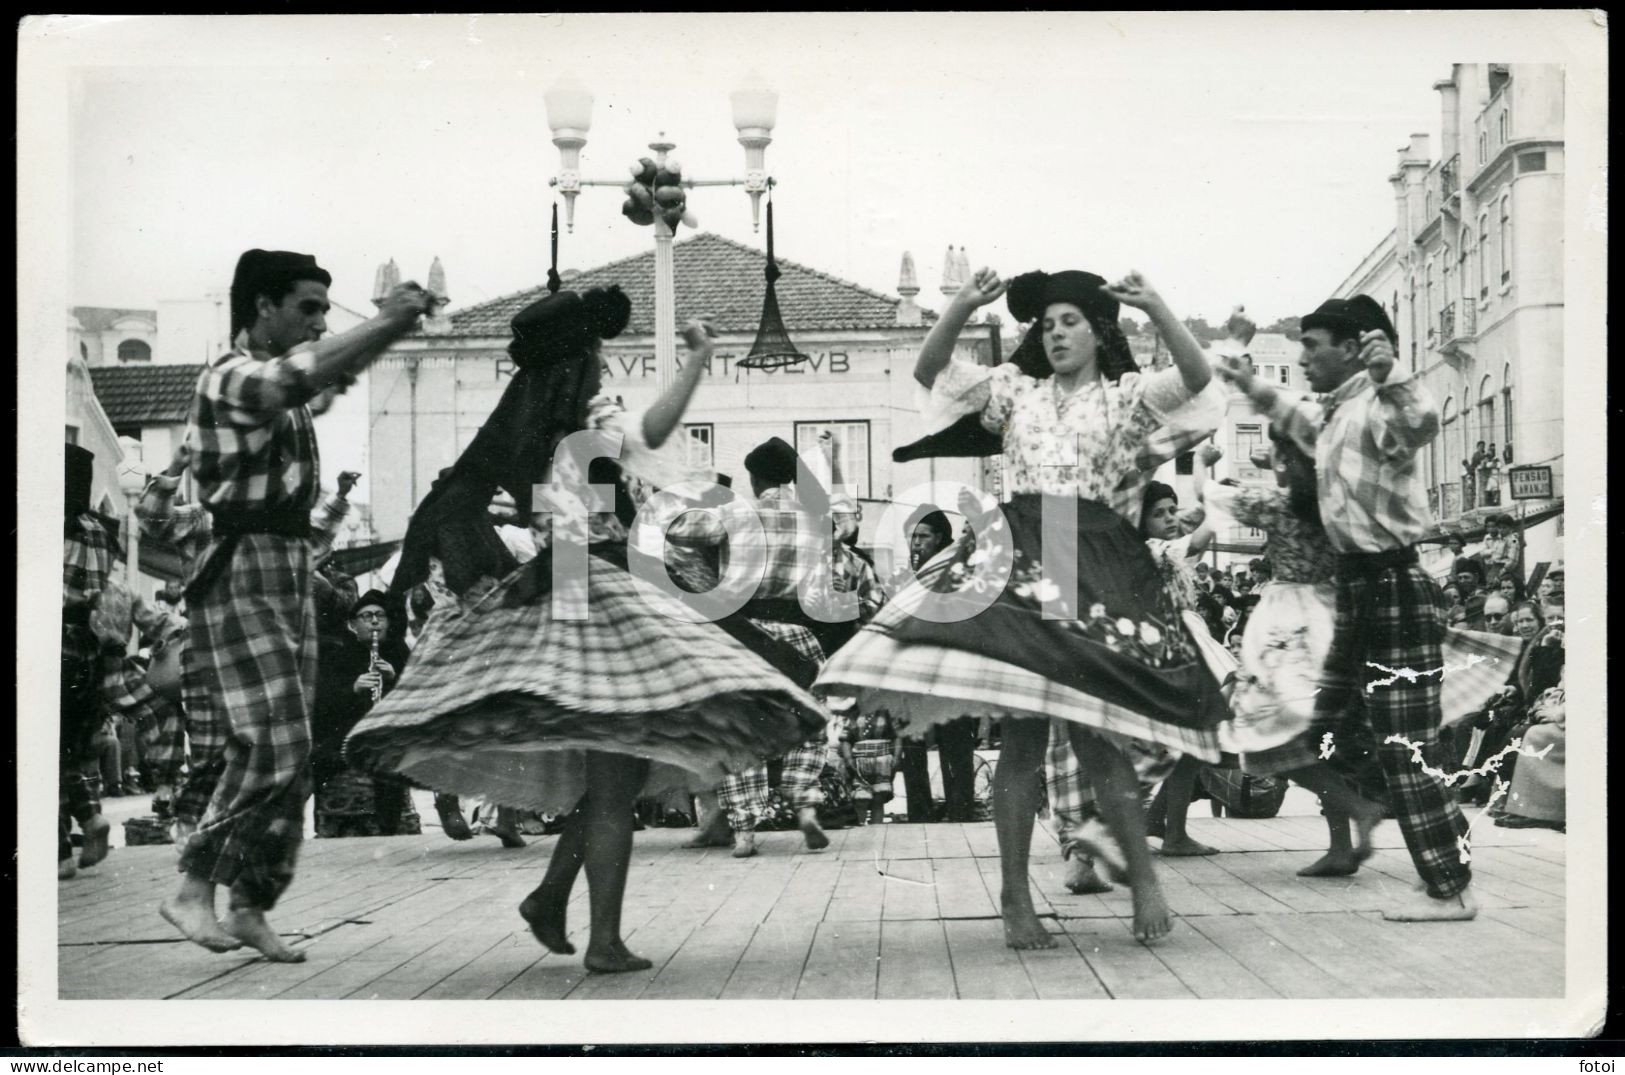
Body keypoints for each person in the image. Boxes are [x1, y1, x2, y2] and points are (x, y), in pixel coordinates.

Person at [347, 288, 825, 973]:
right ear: (579, 362)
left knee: (617, 778)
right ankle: (599, 937)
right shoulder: (590, 423)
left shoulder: (526, 435)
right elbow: (653, 435)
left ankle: (551, 897)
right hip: (601, 592)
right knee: (614, 777)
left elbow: (537, 512)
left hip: (570, 587)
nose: (604, 364)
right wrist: (697, 359)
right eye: (597, 353)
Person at [820, 266, 1229, 946]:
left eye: (1070, 321)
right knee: (1021, 735)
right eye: (1046, 324)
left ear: (1099, 332)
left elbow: (1193, 378)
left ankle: (1147, 881)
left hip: (1096, 557)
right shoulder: (1015, 391)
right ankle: (1014, 894)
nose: (1056, 332)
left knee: (1102, 733)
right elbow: (931, 371)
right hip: (1023, 554)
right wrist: (958, 307)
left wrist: (1155, 305)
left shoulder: (1127, 395)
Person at [160, 249, 434, 961]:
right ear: (262, 308)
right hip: (240, 566)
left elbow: (324, 376)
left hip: (285, 564)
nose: (317, 319)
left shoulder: (272, 389)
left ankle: (250, 900)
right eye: (306, 306)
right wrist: (388, 320)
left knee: (295, 749)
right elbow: (302, 375)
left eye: (322, 308)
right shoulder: (230, 376)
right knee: (272, 741)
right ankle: (194, 885)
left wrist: (387, 330)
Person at [1215, 293, 1487, 921]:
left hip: (1390, 584)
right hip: (1360, 588)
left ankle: (1450, 886)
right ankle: (1416, 839)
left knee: (1401, 743)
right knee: (1323, 726)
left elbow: (1420, 422)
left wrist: (1392, 374)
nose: (1304, 356)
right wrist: (1244, 375)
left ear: (1349, 347)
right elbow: (1286, 412)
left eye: (1312, 346)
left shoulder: (1375, 408)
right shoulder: (1335, 417)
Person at [139, 449, 358, 842]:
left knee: (262, 745)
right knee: (209, 750)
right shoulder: (205, 518)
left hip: (263, 650)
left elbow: (318, 535)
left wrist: (340, 495)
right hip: (209, 647)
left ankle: (242, 829)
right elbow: (154, 520)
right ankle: (198, 830)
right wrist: (174, 469)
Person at [663, 436, 841, 857]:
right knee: (809, 722)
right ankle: (805, 802)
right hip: (801, 631)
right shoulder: (815, 518)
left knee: (741, 725)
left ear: (756, 479)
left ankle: (744, 829)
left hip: (747, 633)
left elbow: (679, 534)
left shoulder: (735, 514)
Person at [310, 589, 418, 837]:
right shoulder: (338, 656)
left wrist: (394, 679)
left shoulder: (400, 653)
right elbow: (322, 704)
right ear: (352, 624)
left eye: (380, 616)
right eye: (366, 616)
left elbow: (418, 700)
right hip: (345, 738)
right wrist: (353, 688)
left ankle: (391, 825)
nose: (374, 622)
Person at [61, 444, 119, 879]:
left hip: (55, 648)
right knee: (66, 753)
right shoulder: (99, 529)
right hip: (89, 656)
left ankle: (63, 847)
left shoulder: (51, 525)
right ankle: (83, 824)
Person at [895, 506, 956, 822]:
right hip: (913, 666)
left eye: (923, 536)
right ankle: (919, 811)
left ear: (940, 539)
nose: (916, 543)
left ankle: (961, 809)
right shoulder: (903, 576)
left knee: (954, 738)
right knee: (913, 739)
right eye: (912, 537)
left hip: (950, 666)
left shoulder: (957, 573)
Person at [1453, 557, 1489, 629]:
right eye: (1460, 578)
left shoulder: (1483, 595)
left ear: (1476, 577)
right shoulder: (1466, 596)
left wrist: (1466, 615)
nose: (1462, 581)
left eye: (1466, 577)